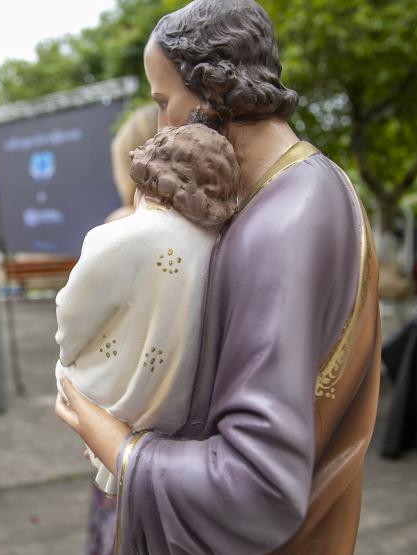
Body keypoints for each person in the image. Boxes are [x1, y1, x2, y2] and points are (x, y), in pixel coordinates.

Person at [55, 1, 381, 554]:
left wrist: (117, 445)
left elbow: (256, 489)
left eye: (165, 103)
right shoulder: (310, 187)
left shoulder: (278, 226)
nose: (161, 128)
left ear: (212, 93)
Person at [55, 124, 241, 496]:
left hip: (111, 392)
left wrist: (66, 358)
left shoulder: (118, 236)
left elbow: (72, 313)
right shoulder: (222, 246)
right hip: (178, 409)